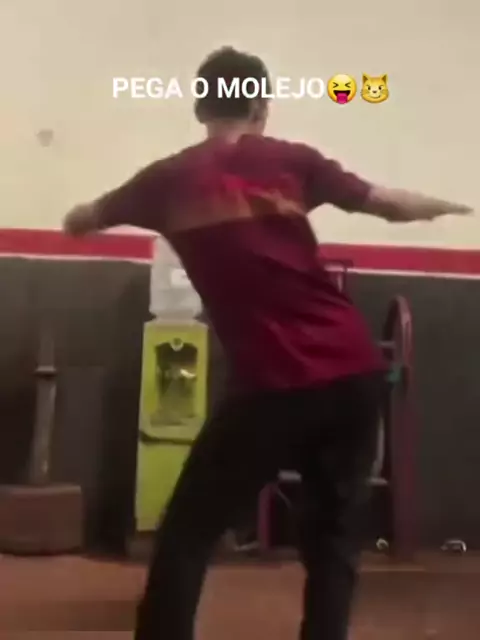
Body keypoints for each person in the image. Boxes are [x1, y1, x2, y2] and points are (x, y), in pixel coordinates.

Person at [63, 47, 471, 640]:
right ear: (260, 107)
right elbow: (390, 204)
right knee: (333, 543)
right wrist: (450, 206)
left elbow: (83, 218)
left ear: (201, 107)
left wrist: (79, 217)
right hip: (352, 373)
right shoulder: (293, 162)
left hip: (272, 386)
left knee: (187, 533)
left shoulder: (165, 182)